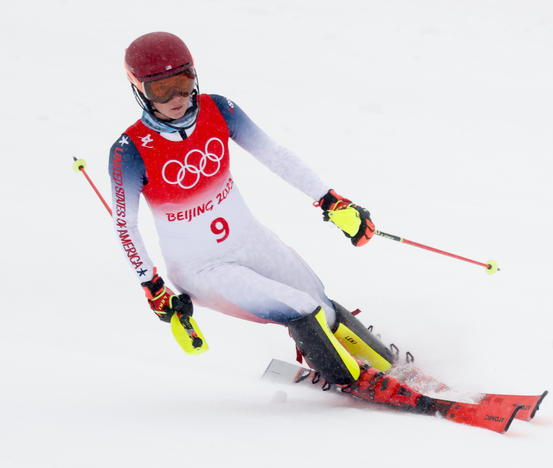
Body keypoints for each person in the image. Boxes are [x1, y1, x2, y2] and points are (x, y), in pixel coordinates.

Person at [110, 31, 424, 408]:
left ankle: (389, 367)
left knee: (319, 303)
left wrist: (330, 200)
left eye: (183, 82)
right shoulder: (130, 150)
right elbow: (125, 226)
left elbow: (274, 155)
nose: (177, 98)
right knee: (299, 309)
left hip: (248, 239)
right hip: (202, 268)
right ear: (140, 90)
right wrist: (152, 285)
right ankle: (353, 380)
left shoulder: (219, 109)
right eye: (162, 90)